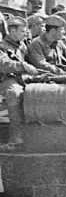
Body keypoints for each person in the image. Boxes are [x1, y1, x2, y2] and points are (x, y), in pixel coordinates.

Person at [0, 16, 39, 149]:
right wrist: (23, 65)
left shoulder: (21, 45)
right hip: (5, 79)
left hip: (20, 78)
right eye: (22, 31)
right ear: (12, 31)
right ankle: (16, 138)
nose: (25, 34)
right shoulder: (2, 46)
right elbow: (4, 64)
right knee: (14, 93)